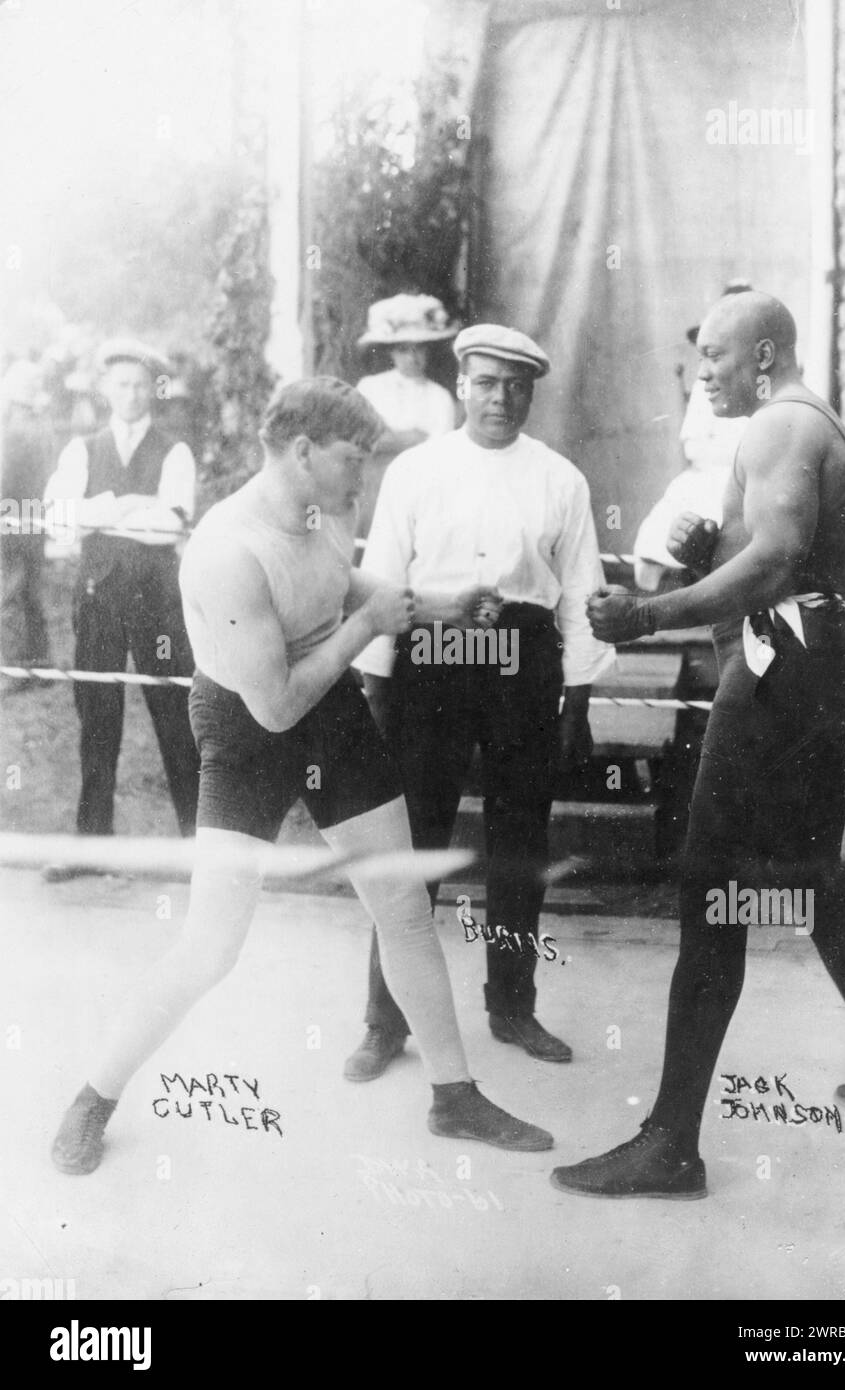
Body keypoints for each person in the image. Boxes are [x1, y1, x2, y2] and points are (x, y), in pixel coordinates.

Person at [50, 377, 552, 1176]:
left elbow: (336, 582)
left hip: (330, 702)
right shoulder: (226, 551)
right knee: (212, 945)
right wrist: (365, 627)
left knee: (403, 905)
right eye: (354, 458)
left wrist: (439, 605)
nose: (365, 475)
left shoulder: (328, 506)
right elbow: (278, 705)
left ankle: (454, 1095)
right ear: (302, 451)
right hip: (253, 723)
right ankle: (93, 1097)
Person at [552, 291, 845, 1201]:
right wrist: (699, 557)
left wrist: (646, 612)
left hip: (784, 667)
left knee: (710, 885)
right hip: (814, 661)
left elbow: (773, 561)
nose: (703, 372)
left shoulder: (779, 427)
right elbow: (773, 555)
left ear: (764, 354)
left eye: (718, 355)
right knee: (809, 880)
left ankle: (671, 1143)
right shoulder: (797, 425)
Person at [343, 324, 615, 1082]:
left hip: (522, 664)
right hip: (435, 659)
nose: (501, 398)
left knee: (519, 843)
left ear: (532, 392)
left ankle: (512, 1005)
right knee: (414, 843)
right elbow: (386, 585)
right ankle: (383, 1019)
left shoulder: (561, 479)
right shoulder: (417, 471)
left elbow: (581, 597)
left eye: (516, 386)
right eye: (487, 383)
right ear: (461, 383)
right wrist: (377, 688)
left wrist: (577, 702)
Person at [42, 339, 200, 878]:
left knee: (175, 718)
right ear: (106, 389)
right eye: (121, 384)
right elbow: (59, 520)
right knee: (97, 720)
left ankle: (198, 847)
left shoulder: (174, 451)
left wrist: (100, 514)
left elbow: (170, 525)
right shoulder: (82, 449)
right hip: (98, 599)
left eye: (140, 384)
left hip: (158, 604)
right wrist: (124, 505)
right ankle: (93, 847)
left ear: (154, 389)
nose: (130, 395)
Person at [634, 282, 751, 592]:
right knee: (689, 508)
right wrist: (737, 455)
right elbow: (694, 445)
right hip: (715, 472)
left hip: (757, 476)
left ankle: (728, 584)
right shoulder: (705, 384)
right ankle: (694, 579)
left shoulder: (764, 384)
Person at [354, 294, 458, 537]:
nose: (412, 358)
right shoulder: (369, 387)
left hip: (418, 494)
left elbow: (438, 457)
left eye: (419, 349)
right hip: (371, 494)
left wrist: (388, 438)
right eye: (403, 350)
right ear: (391, 352)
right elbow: (360, 441)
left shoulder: (439, 398)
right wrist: (413, 437)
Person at [0, 360, 53, 676]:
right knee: (32, 593)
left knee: (8, 596)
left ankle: (13, 669)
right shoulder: (43, 427)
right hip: (35, 517)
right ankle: (39, 661)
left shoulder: (12, 433)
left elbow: (2, 479)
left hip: (10, 520)